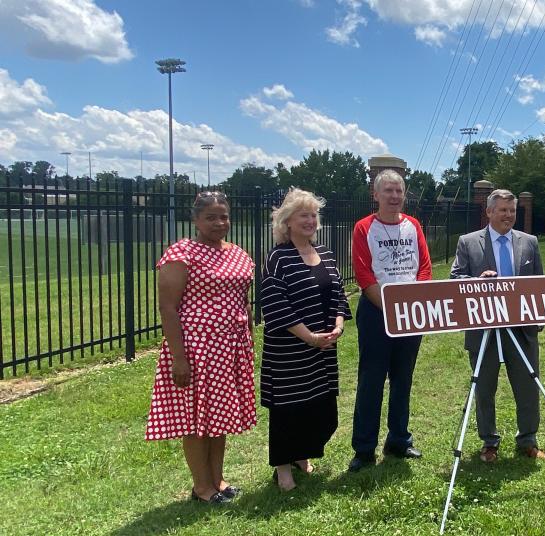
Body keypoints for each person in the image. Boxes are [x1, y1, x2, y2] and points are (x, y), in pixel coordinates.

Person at [145, 191, 256, 504]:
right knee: (196, 419)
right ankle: (202, 487)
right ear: (195, 220)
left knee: (219, 416)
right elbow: (167, 307)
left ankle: (218, 480)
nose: (219, 223)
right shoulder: (182, 253)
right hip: (196, 348)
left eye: (223, 216)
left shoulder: (237, 253)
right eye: (211, 217)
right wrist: (179, 358)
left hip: (230, 346)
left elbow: (242, 301)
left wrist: (248, 339)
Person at [261, 188, 351, 491]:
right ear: (287, 221)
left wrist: (337, 326)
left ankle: (302, 455)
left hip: (323, 349)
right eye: (304, 215)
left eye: (314, 215)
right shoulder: (277, 258)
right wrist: (309, 337)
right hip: (289, 351)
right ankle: (283, 468)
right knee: (288, 410)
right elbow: (276, 306)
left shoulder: (324, 252)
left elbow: (338, 293)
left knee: (320, 409)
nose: (310, 220)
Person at [450, 189, 545, 463]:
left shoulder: (529, 242)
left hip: (521, 328)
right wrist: (477, 280)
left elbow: (538, 283)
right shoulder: (468, 242)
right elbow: (455, 279)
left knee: (528, 386)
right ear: (489, 212)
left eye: (512, 210)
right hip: (484, 330)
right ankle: (489, 442)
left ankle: (528, 440)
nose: (508, 215)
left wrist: (538, 321)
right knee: (484, 388)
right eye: (503, 210)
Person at [348, 169, 432, 472]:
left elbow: (424, 266)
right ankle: (364, 448)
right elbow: (364, 273)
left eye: (399, 191)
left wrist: (411, 306)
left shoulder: (414, 225)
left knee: (402, 379)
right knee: (371, 381)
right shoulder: (363, 228)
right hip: (376, 312)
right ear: (376, 195)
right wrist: (390, 307)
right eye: (388, 191)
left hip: (410, 314)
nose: (395, 197)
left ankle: (399, 440)